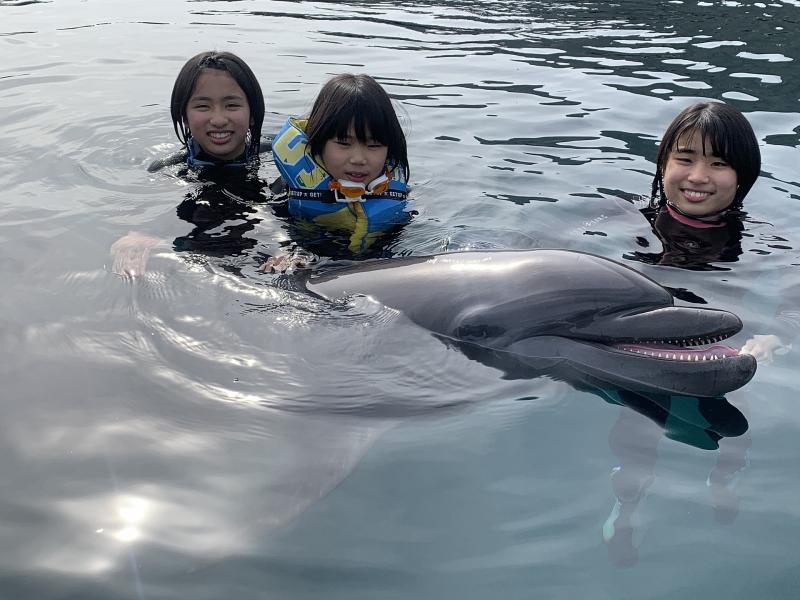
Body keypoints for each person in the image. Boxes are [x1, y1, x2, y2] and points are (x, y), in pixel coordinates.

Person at [113, 51, 269, 276]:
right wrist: (136, 234)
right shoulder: (167, 170)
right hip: (196, 247)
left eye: (232, 105)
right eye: (203, 107)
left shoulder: (279, 158)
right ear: (184, 116)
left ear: (253, 113)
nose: (218, 119)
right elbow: (147, 214)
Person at [263, 73, 411, 270]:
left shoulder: (398, 194)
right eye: (343, 143)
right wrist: (281, 250)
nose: (358, 159)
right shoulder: (288, 190)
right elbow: (268, 223)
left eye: (374, 145)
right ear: (318, 141)